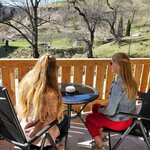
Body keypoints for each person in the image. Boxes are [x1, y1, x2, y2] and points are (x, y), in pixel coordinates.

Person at [86, 52, 138, 149]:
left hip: (118, 122)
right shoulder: (131, 81)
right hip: (129, 120)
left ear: (118, 65)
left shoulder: (118, 85)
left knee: (89, 118)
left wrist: (101, 110)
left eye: (111, 63)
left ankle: (99, 144)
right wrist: (102, 108)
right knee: (95, 106)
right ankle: (102, 136)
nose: (110, 65)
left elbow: (110, 112)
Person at [17, 54, 68, 150]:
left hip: (24, 127)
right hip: (40, 132)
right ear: (53, 71)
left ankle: (55, 144)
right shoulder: (51, 93)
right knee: (66, 119)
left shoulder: (27, 83)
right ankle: (55, 144)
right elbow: (55, 117)